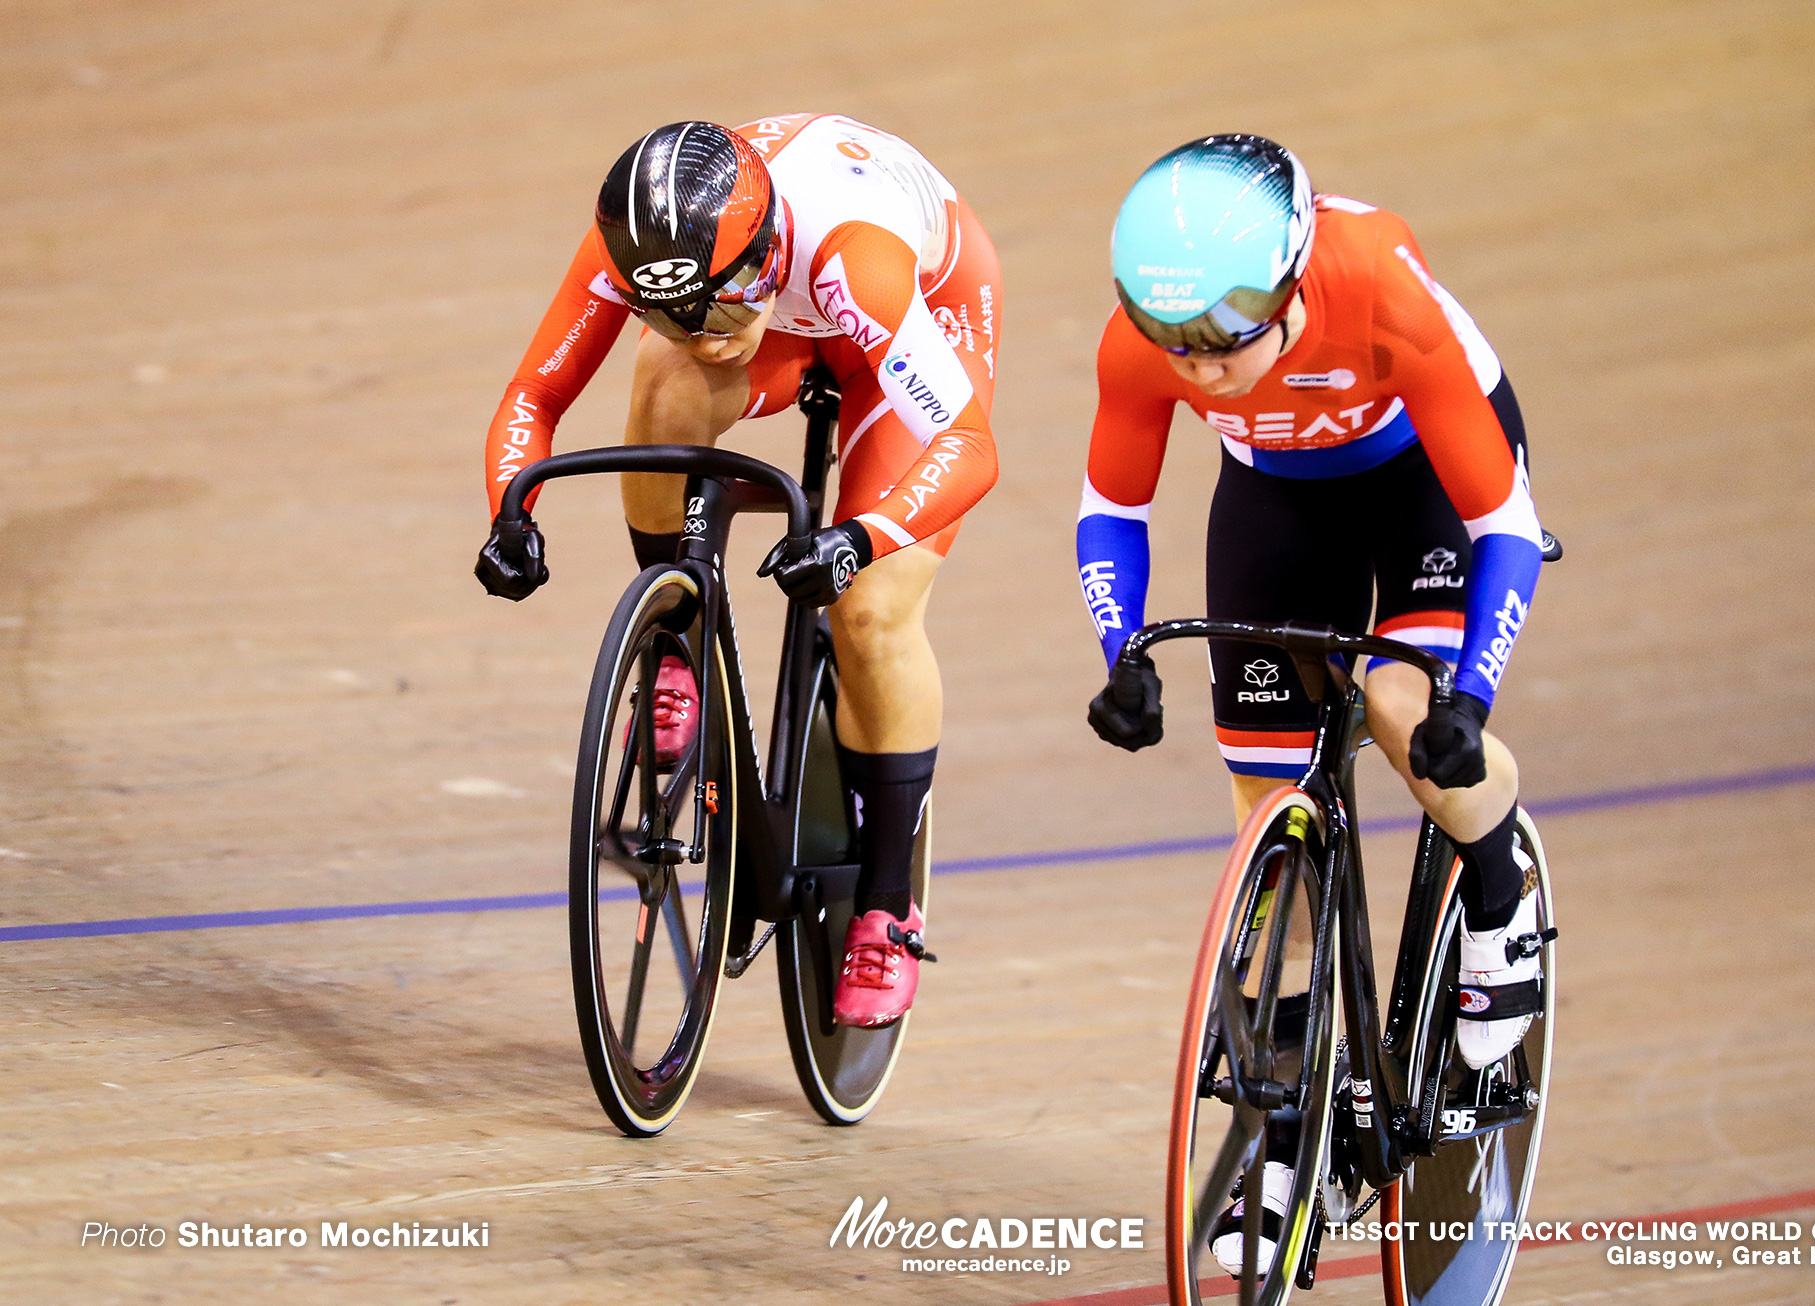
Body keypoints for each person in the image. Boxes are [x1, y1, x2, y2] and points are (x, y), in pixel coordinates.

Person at [1076, 135, 1545, 1277]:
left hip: (1422, 479)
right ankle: (1283, 1134)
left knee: (1396, 700)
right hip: (1277, 496)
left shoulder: (1378, 282)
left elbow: (1506, 526)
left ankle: (1498, 899)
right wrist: (1120, 653)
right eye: (1172, 343)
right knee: (1266, 814)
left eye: (1223, 341)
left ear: (1289, 289)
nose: (1197, 370)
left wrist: (1466, 698)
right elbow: (1110, 509)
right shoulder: (1146, 343)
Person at [476, 115, 1000, 1029]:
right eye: (672, 308)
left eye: (717, 307)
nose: (703, 333)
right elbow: (534, 396)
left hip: (913, 315)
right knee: (664, 377)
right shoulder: (646, 242)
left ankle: (886, 904)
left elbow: (969, 447)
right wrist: (508, 514)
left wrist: (860, 537)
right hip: (788, 316)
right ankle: (675, 645)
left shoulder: (854, 256)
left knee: (870, 611)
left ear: (763, 251)